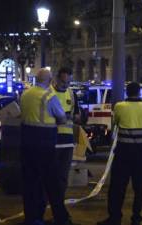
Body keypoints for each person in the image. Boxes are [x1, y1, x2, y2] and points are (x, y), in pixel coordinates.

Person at [98, 82, 142, 225]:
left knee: (117, 188)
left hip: (123, 153)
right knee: (139, 189)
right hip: (140, 153)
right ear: (138, 92)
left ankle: (114, 218)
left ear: (127, 92)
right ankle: (136, 218)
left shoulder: (119, 107)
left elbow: (115, 125)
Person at [20, 68, 71, 225]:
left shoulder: (25, 94)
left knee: (30, 183)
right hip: (45, 144)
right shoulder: (49, 96)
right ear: (49, 81)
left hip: (26, 143)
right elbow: (62, 118)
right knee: (53, 184)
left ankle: (32, 218)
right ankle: (61, 219)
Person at [50, 67, 80, 219]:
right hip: (52, 141)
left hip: (67, 142)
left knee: (62, 178)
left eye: (68, 82)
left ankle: (59, 207)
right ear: (56, 79)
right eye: (63, 82)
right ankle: (56, 209)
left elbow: (77, 116)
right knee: (51, 177)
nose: (66, 85)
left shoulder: (71, 94)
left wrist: (73, 118)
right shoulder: (48, 93)